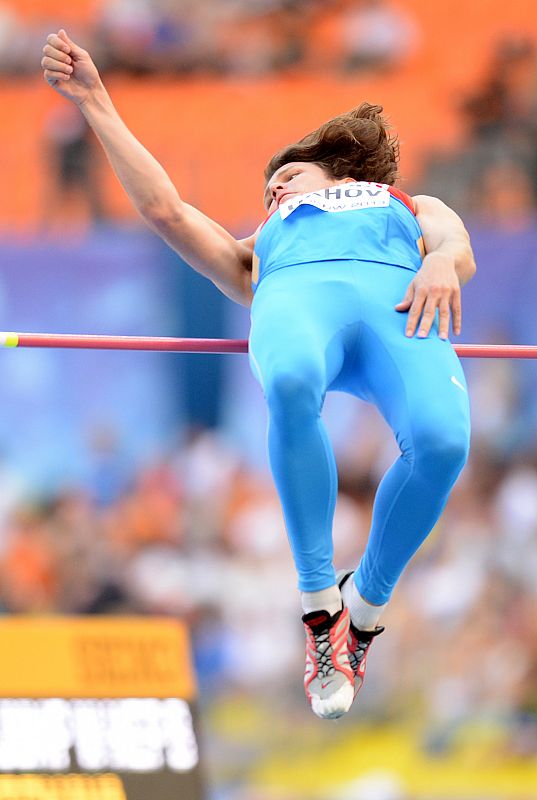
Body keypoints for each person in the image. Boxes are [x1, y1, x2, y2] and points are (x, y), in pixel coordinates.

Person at [41, 29, 476, 720]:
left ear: (339, 172)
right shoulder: (258, 249)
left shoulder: (406, 206)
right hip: (297, 305)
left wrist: (438, 262)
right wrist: (95, 100)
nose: (273, 188)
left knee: (444, 443)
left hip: (399, 311)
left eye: (289, 177)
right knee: (291, 380)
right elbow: (165, 210)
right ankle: (316, 609)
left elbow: (455, 245)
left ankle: (359, 612)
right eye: (269, 187)